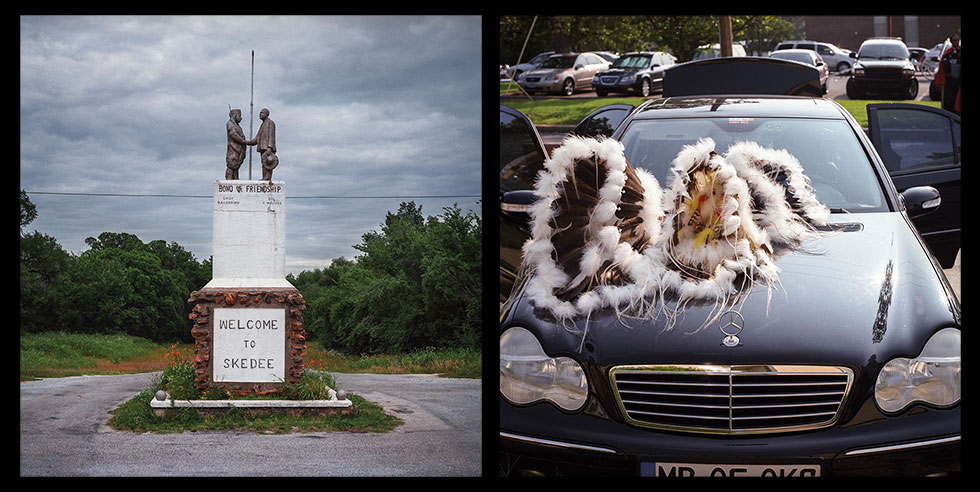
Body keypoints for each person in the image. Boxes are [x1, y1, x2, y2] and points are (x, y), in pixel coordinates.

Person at [247, 108, 278, 180]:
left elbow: (271, 135)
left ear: (266, 114)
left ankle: (267, 177)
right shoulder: (262, 125)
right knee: (264, 163)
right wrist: (246, 142)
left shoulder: (270, 123)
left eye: (262, 113)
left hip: (267, 148)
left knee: (269, 162)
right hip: (262, 147)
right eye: (260, 113)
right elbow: (257, 138)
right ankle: (265, 177)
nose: (260, 114)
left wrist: (269, 147)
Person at [936, 34, 961, 114]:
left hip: (959, 82)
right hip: (949, 82)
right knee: (949, 102)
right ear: (951, 41)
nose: (956, 42)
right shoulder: (947, 54)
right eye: (954, 40)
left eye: (958, 40)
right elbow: (943, 67)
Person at [225, 109, 248, 180]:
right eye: (239, 116)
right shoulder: (230, 123)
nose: (241, 118)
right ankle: (229, 183)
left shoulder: (238, 126)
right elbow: (232, 133)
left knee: (236, 167)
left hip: (239, 150)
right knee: (231, 165)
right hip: (233, 148)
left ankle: (235, 180)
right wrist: (243, 141)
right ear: (234, 115)